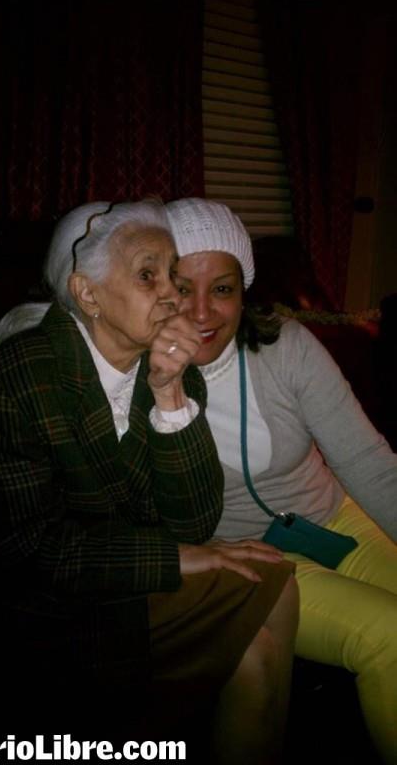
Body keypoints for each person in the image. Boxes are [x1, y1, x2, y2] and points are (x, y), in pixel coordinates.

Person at [0, 199, 297, 762]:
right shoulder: (14, 381)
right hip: (62, 609)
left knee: (274, 579)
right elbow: (28, 549)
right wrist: (174, 558)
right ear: (88, 294)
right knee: (253, 641)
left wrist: (169, 392)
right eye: (149, 276)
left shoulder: (169, 367)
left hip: (139, 583)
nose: (173, 296)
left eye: (172, 274)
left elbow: (196, 520)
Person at [163, 197, 397, 765]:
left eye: (222, 288)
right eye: (181, 288)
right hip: (253, 558)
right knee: (390, 635)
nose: (202, 312)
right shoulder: (134, 379)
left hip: (335, 516)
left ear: (244, 291)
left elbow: (367, 460)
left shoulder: (284, 346)